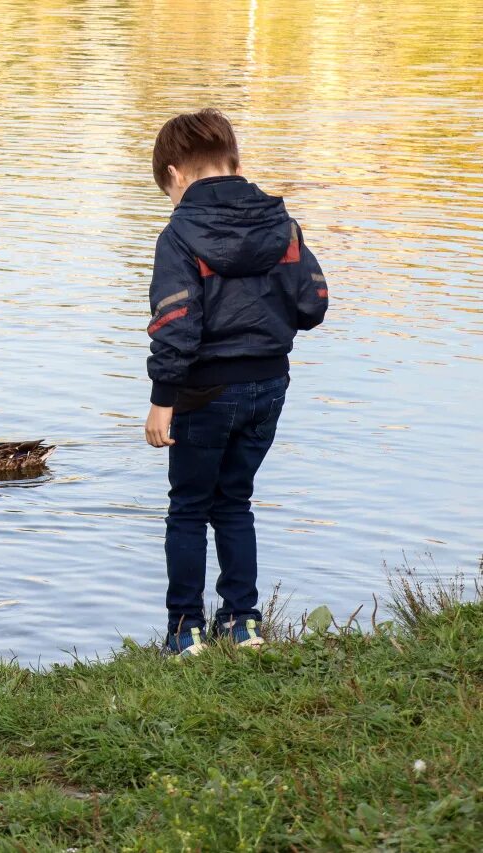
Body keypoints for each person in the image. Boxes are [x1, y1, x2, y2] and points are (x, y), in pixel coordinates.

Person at [143, 108, 328, 656]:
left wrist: (162, 401)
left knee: (188, 507)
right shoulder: (282, 225)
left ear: (175, 174)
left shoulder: (179, 236)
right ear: (235, 161)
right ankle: (243, 623)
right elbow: (313, 304)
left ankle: (184, 631)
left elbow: (176, 325)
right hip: (269, 385)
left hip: (204, 390)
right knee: (235, 502)